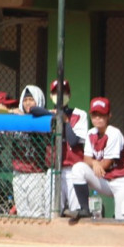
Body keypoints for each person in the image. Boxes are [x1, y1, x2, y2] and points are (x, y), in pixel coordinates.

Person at [64, 97, 124, 220]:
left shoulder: (114, 133)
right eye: (94, 115)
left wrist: (96, 164)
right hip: (105, 179)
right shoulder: (91, 133)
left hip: (123, 181)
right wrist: (94, 162)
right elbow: (86, 159)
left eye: (101, 115)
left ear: (109, 116)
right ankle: (84, 209)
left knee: (122, 221)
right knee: (78, 168)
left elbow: (106, 164)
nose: (97, 118)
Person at [10, 84, 54, 218]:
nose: (28, 103)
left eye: (31, 99)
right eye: (25, 99)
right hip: (18, 173)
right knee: (22, 214)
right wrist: (10, 112)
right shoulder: (15, 120)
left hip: (36, 173)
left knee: (37, 213)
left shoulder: (45, 119)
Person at [50, 79, 89, 216]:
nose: (60, 97)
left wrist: (66, 121)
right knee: (51, 213)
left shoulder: (80, 114)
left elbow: (73, 141)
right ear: (51, 96)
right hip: (53, 170)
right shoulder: (47, 115)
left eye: (63, 93)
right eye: (56, 93)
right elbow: (33, 110)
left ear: (69, 95)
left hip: (74, 170)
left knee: (76, 212)